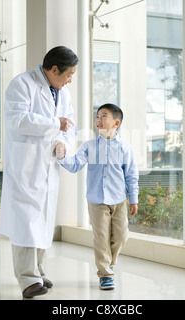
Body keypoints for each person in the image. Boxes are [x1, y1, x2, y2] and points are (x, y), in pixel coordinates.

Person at [0, 46, 78, 298]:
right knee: (26, 220)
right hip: (25, 164)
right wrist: (56, 124)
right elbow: (17, 119)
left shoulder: (63, 93)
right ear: (54, 69)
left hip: (48, 164)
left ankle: (39, 270)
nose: (70, 80)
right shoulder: (22, 84)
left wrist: (64, 143)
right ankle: (27, 278)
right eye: (68, 74)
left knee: (43, 218)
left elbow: (70, 126)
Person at [57, 103, 139, 290]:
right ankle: (105, 274)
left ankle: (109, 262)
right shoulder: (89, 146)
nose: (99, 120)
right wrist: (62, 156)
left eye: (104, 116)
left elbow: (131, 175)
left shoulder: (125, 148)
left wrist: (133, 198)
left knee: (121, 236)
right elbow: (75, 165)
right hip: (96, 200)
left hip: (119, 200)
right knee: (101, 237)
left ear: (116, 123)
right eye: (97, 116)